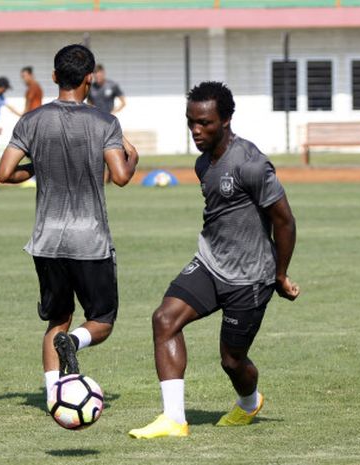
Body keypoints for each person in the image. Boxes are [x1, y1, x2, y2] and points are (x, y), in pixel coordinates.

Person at [129, 81, 300, 439]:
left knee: (231, 361)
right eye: (191, 122)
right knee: (164, 320)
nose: (196, 130)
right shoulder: (202, 163)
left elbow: (284, 221)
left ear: (226, 120)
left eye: (204, 123)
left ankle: (250, 402)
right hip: (209, 264)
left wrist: (280, 275)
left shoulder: (252, 165)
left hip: (250, 278)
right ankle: (174, 419)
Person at [0, 44, 139, 404]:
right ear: (90, 78)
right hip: (89, 240)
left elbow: (4, 172)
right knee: (102, 320)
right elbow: (120, 176)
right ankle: (74, 342)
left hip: (46, 240)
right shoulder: (105, 122)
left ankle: (53, 397)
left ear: (55, 77)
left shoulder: (31, 120)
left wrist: (37, 169)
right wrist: (133, 158)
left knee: (57, 318)